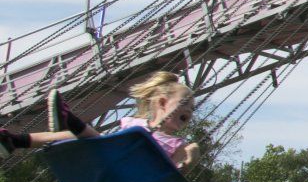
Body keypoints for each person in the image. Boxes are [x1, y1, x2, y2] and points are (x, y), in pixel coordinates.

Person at [2, 72, 202, 170]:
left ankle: (71, 121)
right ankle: (14, 141)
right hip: (109, 163)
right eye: (184, 103)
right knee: (84, 138)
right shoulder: (135, 124)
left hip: (138, 178)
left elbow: (175, 172)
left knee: (92, 138)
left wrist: (189, 158)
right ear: (162, 102)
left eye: (192, 108)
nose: (189, 110)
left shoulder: (178, 145)